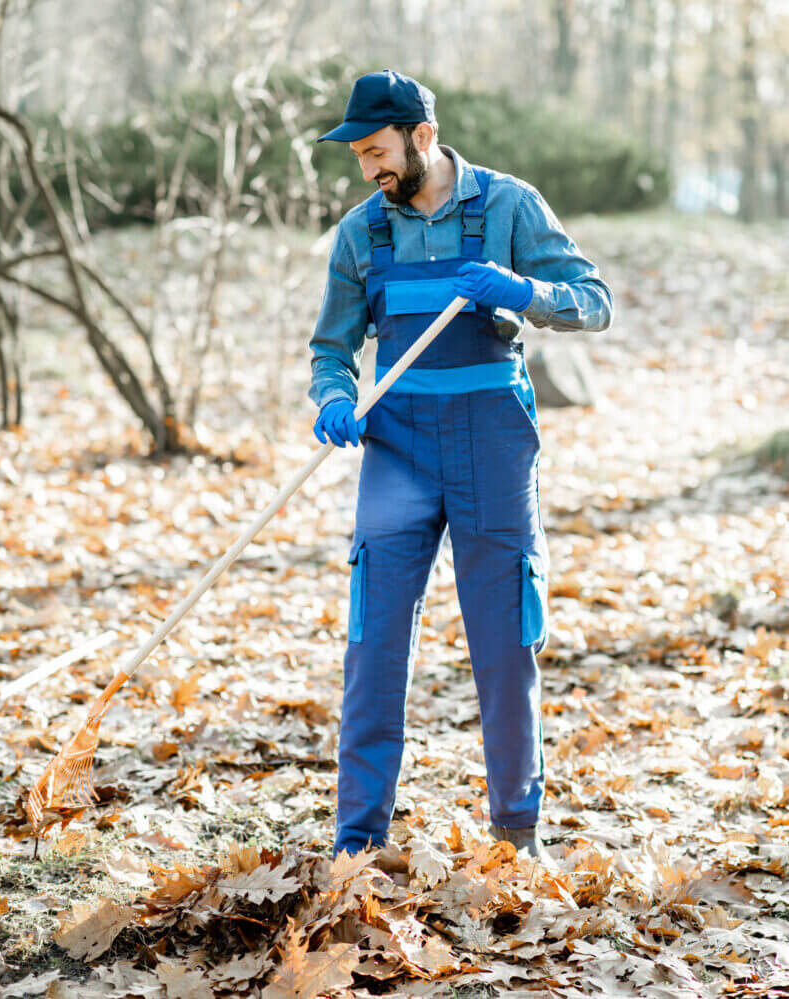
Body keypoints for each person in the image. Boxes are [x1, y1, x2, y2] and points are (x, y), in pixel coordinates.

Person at [309, 69, 613, 861]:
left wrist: (523, 288)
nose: (369, 170)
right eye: (359, 156)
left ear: (421, 136)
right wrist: (333, 395)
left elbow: (594, 298)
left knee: (505, 641)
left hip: (491, 447)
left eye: (377, 151)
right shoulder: (360, 232)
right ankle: (356, 843)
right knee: (372, 642)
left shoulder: (510, 204)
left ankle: (517, 835)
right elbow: (330, 348)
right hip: (397, 449)